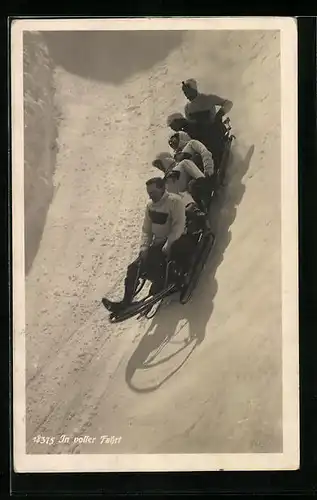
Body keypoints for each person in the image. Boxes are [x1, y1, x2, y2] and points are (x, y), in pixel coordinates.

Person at [101, 177, 199, 314]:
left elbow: (179, 227)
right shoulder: (150, 206)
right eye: (149, 193)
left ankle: (172, 279)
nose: (150, 196)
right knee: (134, 267)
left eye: (152, 192)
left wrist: (169, 243)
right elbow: (146, 230)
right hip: (158, 245)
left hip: (176, 241)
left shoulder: (174, 202)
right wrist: (144, 247)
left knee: (157, 259)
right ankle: (126, 302)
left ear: (162, 189)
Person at [181, 78, 233, 169]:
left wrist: (219, 114)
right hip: (201, 136)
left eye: (188, 92)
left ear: (194, 89)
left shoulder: (208, 98)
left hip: (215, 131)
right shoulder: (188, 108)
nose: (186, 95)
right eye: (184, 93)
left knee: (213, 148)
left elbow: (228, 103)